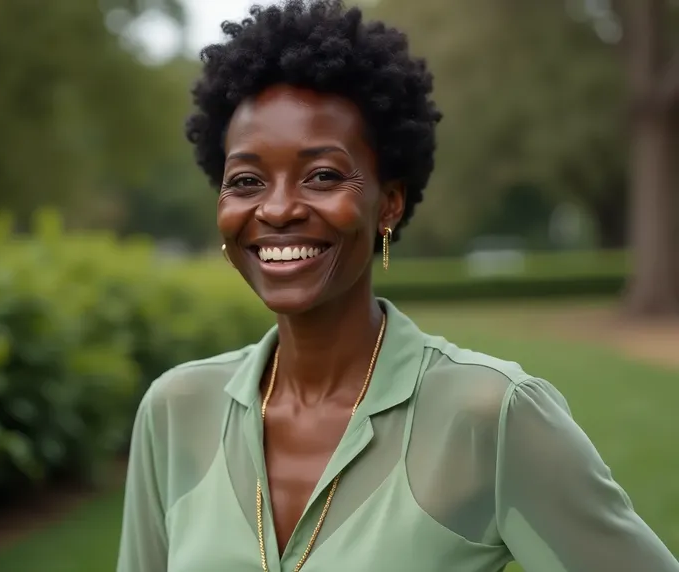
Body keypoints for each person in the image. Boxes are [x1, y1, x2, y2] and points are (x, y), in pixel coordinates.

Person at [116, 1, 679, 571]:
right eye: (246, 180)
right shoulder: (174, 411)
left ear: (388, 202)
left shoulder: (490, 415)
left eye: (323, 176)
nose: (279, 207)